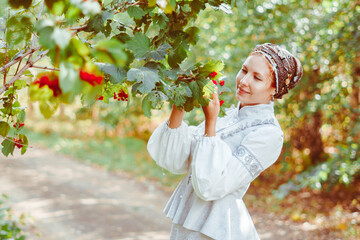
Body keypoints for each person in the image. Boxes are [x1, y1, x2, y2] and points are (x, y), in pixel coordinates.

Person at [147, 43, 303, 240]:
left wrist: (210, 123)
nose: (244, 81)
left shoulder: (268, 134)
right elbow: (177, 159)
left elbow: (210, 187)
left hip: (214, 231)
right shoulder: (229, 118)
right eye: (244, 70)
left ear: (274, 89)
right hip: (187, 227)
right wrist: (181, 103)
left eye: (257, 77)